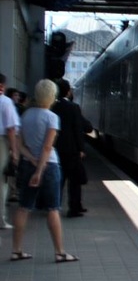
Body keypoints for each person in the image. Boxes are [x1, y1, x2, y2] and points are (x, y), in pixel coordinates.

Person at [11, 79, 78, 263]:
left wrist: (32, 160)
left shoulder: (26, 115)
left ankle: (16, 250)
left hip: (27, 164)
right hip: (49, 167)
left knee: (23, 207)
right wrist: (39, 170)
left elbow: (19, 144)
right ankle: (60, 252)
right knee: (53, 209)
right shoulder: (52, 117)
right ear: (52, 96)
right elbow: (47, 148)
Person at [52, 79, 88, 218]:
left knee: (58, 180)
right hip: (71, 150)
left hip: (55, 149)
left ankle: (54, 207)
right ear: (68, 92)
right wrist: (81, 149)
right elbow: (77, 129)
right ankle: (74, 208)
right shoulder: (73, 107)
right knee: (74, 181)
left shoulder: (52, 106)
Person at [0, 74, 20, 229]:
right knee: (2, 182)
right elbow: (11, 129)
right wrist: (14, 150)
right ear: (2, 86)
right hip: (2, 143)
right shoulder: (5, 102)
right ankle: (1, 219)